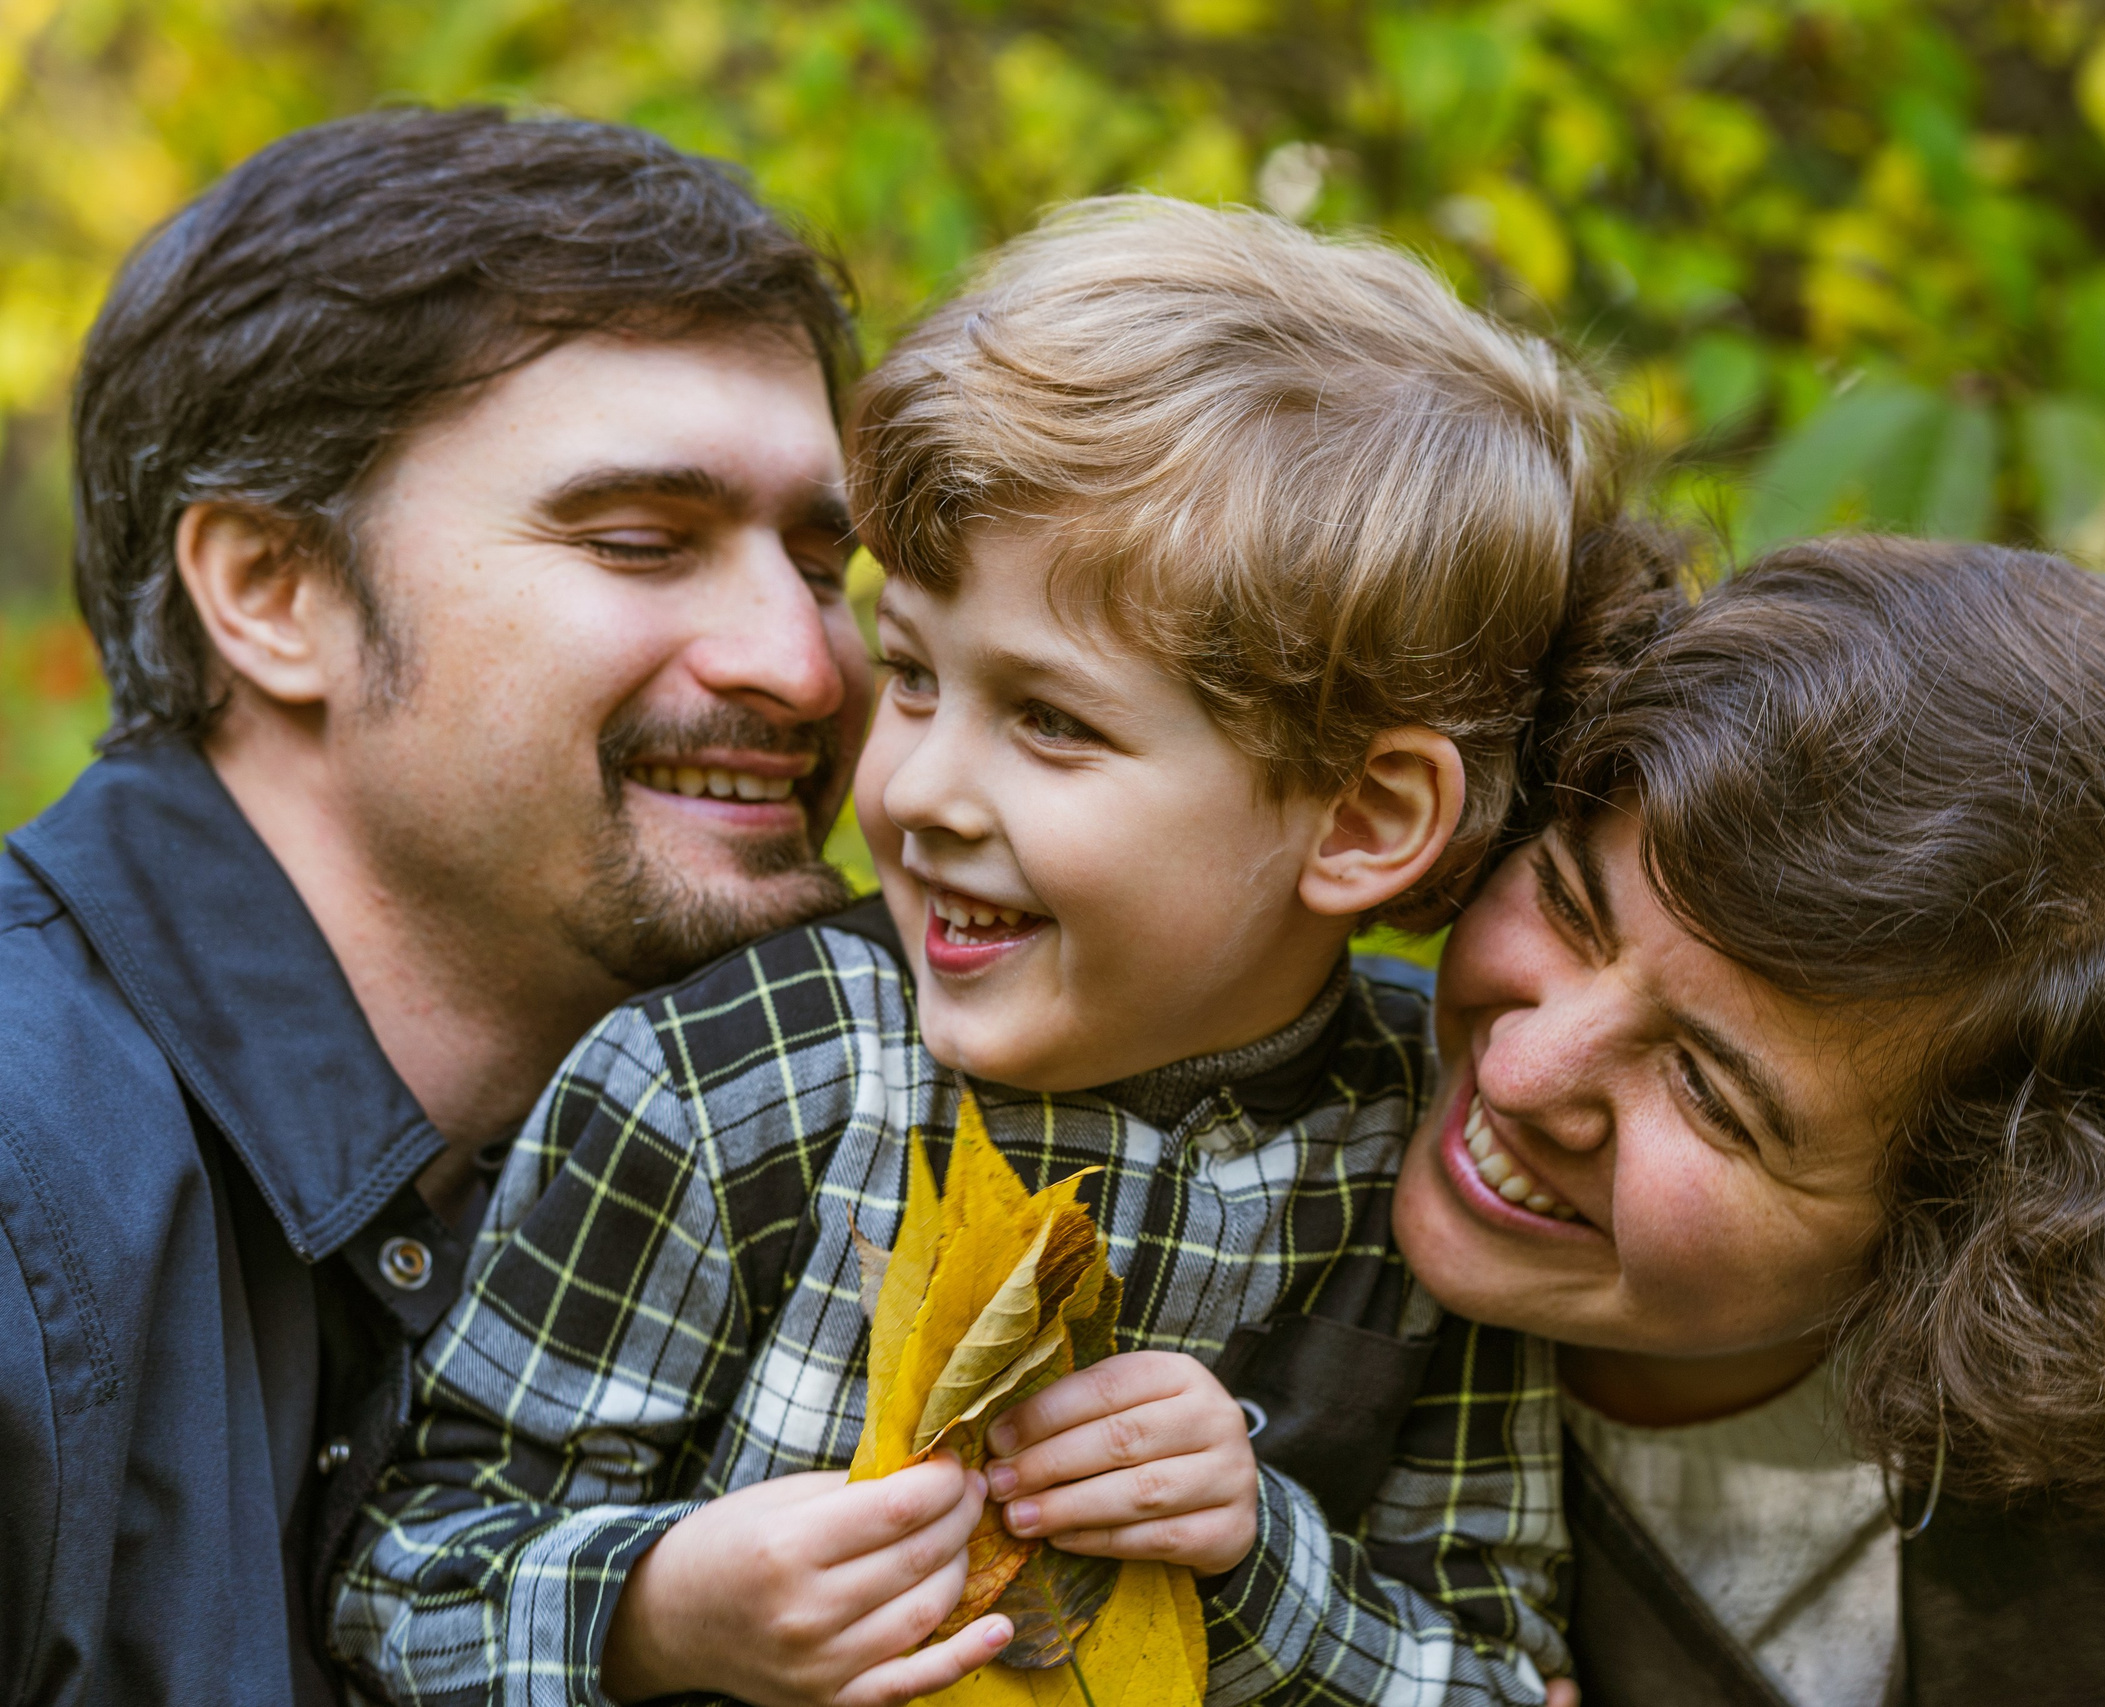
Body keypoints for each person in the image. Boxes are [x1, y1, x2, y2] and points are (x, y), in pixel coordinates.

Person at [331, 196, 1626, 1707]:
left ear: (1364, 816)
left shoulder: (1431, 1156)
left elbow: (1504, 1667)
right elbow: (393, 1574)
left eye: (1053, 719)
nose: (920, 786)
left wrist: (1260, 1562)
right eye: (915, 674)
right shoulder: (738, 1079)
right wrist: (661, 1610)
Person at [0, 107, 941, 1703]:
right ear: (273, 590)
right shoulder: (27, 1195)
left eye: (824, 565)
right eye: (644, 541)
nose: (804, 665)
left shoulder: (801, 1126)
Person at [1391, 535, 2105, 1706]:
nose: (1519, 1068)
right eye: (1569, 903)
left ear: (1984, 1244)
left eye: (1711, 1092)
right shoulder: (1215, 1181)